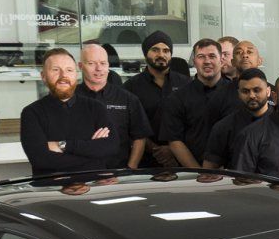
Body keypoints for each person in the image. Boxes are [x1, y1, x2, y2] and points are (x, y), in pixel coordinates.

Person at [21, 49, 114, 176]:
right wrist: (92, 154)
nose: (63, 76)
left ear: (76, 75)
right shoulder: (31, 113)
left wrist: (63, 145)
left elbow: (111, 147)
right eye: (55, 70)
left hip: (93, 187)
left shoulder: (96, 108)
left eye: (69, 70)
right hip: (51, 189)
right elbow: (41, 160)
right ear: (43, 76)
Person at [159, 39, 235, 169]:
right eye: (201, 57)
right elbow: (174, 140)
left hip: (232, 172)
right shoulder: (177, 98)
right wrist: (200, 173)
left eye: (212, 56)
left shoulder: (237, 93)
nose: (207, 61)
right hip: (192, 174)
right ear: (194, 62)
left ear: (221, 61)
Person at [75, 41, 150, 169]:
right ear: (81, 66)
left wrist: (130, 168)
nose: (98, 69)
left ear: (108, 65)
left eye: (103, 63)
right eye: (91, 63)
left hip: (118, 173)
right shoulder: (69, 98)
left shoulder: (127, 99)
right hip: (79, 173)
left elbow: (140, 138)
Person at [123, 32, 180, 160]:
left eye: (166, 51)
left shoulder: (185, 83)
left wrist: (173, 150)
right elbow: (127, 125)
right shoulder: (130, 87)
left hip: (182, 158)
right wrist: (156, 150)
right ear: (145, 53)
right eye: (155, 50)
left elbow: (193, 122)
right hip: (143, 159)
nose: (161, 55)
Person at [200, 68, 272, 169]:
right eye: (245, 91)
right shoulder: (223, 127)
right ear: (238, 93)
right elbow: (209, 169)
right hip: (238, 183)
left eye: (257, 90)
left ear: (268, 91)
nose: (251, 96)